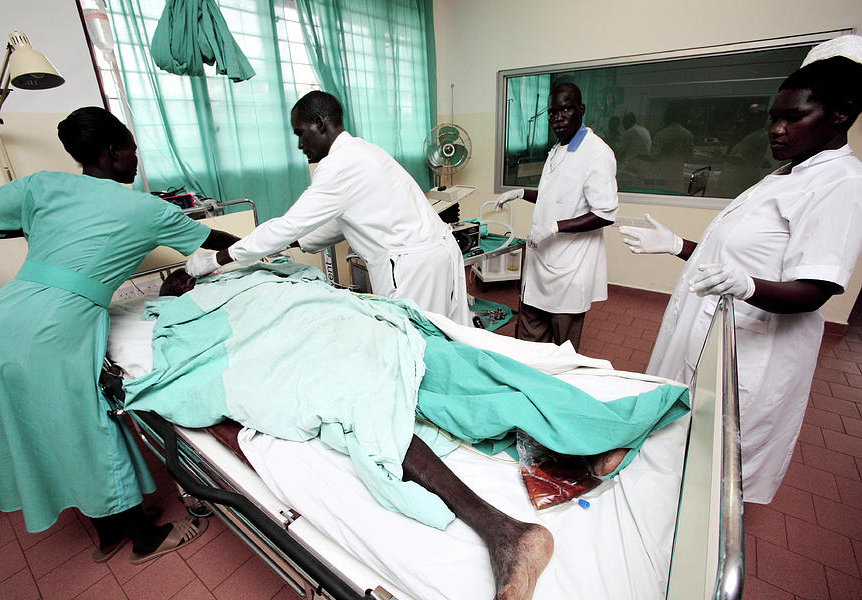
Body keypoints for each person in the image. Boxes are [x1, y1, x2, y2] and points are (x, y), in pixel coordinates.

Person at [144, 264, 689, 600]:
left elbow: (313, 286)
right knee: (379, 404)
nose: (185, 282)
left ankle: (590, 440)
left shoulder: (257, 274)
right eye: (179, 282)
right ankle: (528, 504)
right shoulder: (184, 313)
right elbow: (201, 375)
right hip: (315, 347)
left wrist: (232, 266)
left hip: (351, 322)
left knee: (459, 368)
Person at [0, 107, 242, 563]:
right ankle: (144, 539)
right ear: (114, 153)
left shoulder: (42, 186)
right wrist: (270, 243)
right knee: (89, 429)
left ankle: (108, 531)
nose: (136, 158)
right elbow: (215, 240)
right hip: (48, 332)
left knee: (43, 434)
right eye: (132, 150)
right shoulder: (144, 207)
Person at [619, 55, 862, 504]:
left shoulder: (840, 183)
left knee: (718, 473)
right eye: (773, 118)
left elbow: (816, 290)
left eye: (793, 117)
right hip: (709, 332)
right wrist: (679, 246)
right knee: (682, 448)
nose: (775, 129)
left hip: (753, 349)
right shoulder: (786, 174)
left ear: (840, 114)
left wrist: (748, 286)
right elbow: (730, 255)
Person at [185, 90, 471, 325]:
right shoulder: (364, 150)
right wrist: (289, 243)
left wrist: (215, 260)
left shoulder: (337, 166)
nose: (299, 145)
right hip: (440, 252)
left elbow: (288, 224)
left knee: (415, 345)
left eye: (300, 132)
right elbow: (343, 222)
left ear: (320, 124)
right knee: (452, 339)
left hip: (413, 267)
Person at [494, 82, 618, 350]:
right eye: (552, 112)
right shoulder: (558, 148)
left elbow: (605, 214)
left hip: (569, 269)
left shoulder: (596, 153)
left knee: (563, 349)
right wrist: (520, 193)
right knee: (529, 342)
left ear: (581, 110)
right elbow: (555, 196)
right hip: (539, 263)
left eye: (565, 110)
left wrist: (555, 227)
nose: (557, 118)